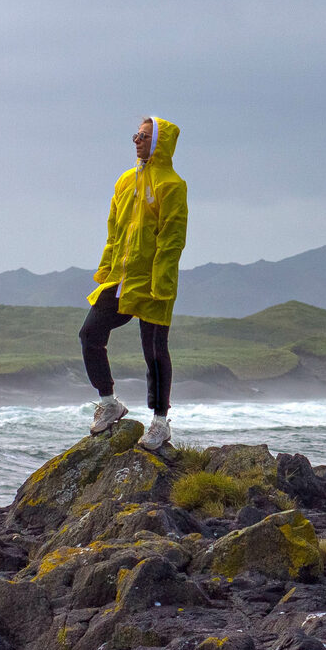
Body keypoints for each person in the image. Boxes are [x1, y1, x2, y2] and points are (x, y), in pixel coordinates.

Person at [79, 115, 188, 450]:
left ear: (160, 142)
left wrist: (163, 284)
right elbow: (115, 231)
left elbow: (172, 239)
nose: (136, 140)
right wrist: (106, 269)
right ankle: (110, 403)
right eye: (136, 135)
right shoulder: (125, 181)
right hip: (122, 279)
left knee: (154, 352)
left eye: (143, 135)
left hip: (155, 282)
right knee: (90, 334)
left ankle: (159, 423)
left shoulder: (172, 185)